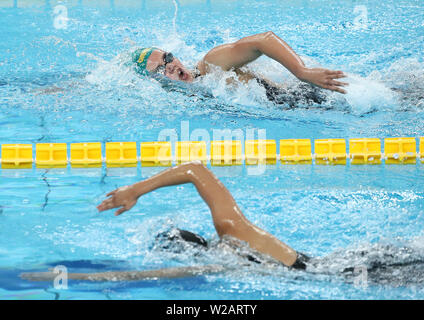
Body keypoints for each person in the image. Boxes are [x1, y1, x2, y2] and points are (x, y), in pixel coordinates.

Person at [131, 31, 348, 106]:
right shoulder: (185, 95)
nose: (171, 66)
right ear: (154, 81)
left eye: (168, 57)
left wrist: (303, 72)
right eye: (161, 68)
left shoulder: (210, 66)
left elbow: (264, 40)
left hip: (314, 97)